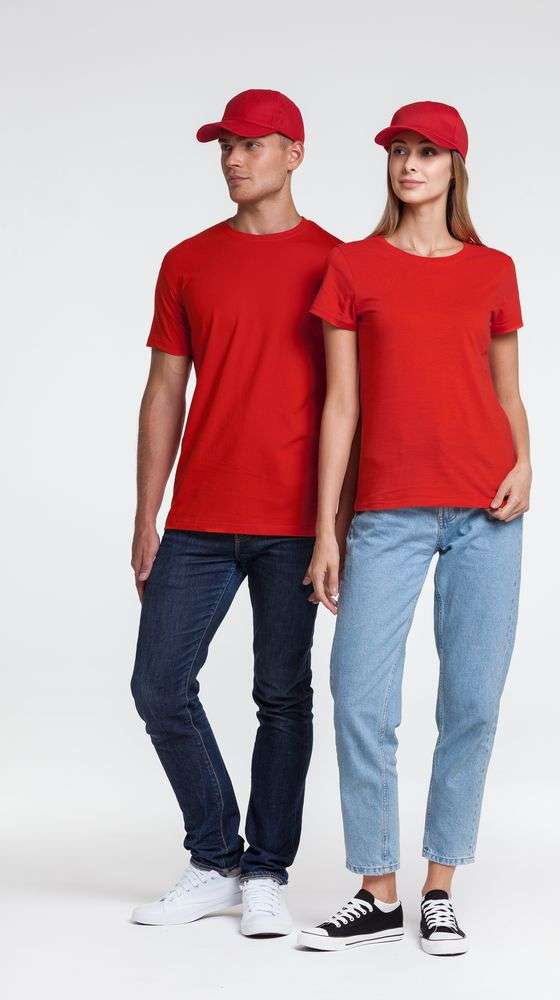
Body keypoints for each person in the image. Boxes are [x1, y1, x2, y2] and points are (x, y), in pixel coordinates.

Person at [298, 101, 531, 955]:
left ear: (454, 167)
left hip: (485, 510)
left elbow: (506, 392)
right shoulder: (352, 266)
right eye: (399, 150)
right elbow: (341, 405)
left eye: (426, 152)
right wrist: (327, 528)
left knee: (470, 702)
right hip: (386, 512)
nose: (408, 165)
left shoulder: (493, 269)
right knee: (359, 698)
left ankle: (438, 887)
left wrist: (526, 463)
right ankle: (376, 891)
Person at [129, 89, 346, 937]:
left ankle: (265, 873)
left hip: (296, 521)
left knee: (282, 696)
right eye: (224, 144)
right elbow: (163, 390)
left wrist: (338, 526)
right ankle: (216, 856)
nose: (232, 158)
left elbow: (355, 402)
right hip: (199, 517)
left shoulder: (337, 261)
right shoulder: (187, 260)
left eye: (251, 144)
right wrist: (146, 515)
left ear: (294, 154)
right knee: (159, 686)